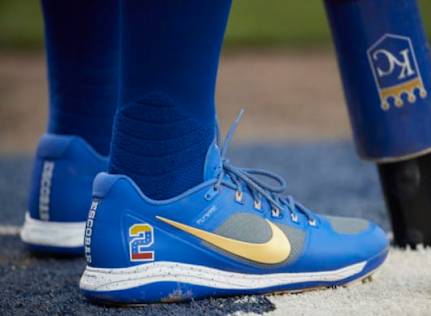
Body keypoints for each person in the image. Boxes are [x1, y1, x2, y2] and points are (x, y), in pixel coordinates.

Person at [20, 0, 388, 303]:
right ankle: (170, 183)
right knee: (164, 157)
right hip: (160, 195)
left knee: (89, 121)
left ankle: (82, 149)